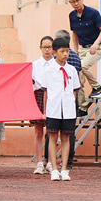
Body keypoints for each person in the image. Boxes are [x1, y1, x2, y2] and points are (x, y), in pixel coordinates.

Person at [38, 37, 81, 181]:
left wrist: (72, 106)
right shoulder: (49, 70)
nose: (65, 54)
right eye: (62, 51)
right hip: (53, 108)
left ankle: (64, 169)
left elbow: (75, 90)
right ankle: (54, 168)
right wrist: (44, 111)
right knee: (52, 137)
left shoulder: (72, 70)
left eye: (67, 51)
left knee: (66, 138)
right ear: (55, 52)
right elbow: (45, 91)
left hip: (68, 109)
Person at [67, 0, 101, 115]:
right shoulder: (72, 16)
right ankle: (82, 108)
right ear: (70, 2)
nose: (76, 3)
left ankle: (96, 87)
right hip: (82, 48)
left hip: (97, 47)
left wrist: (96, 44)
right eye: (73, 1)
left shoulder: (93, 13)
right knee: (78, 77)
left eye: (78, 0)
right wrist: (75, 50)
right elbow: (74, 33)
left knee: (83, 66)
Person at [54, 29, 82, 170]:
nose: (64, 54)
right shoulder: (77, 58)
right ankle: (68, 161)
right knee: (68, 134)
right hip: (68, 100)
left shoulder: (56, 62)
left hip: (65, 99)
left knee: (55, 135)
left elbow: (76, 83)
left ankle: (51, 160)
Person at [31, 36, 53, 175]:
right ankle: (39, 162)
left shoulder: (56, 65)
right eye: (44, 47)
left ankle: (51, 162)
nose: (47, 50)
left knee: (52, 132)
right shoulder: (34, 65)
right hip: (38, 96)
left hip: (52, 97)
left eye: (49, 47)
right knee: (38, 131)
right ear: (40, 48)